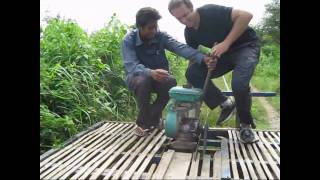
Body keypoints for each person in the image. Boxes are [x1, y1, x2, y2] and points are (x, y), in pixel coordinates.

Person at [168, 0, 261, 143]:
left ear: (193, 8)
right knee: (192, 73)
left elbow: (246, 16)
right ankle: (226, 103)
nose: (184, 20)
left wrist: (226, 43)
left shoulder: (210, 11)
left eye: (186, 15)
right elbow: (194, 58)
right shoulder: (189, 33)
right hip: (224, 55)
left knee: (239, 84)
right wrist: (203, 68)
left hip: (246, 47)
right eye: (179, 18)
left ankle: (245, 126)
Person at [121, 7, 215, 137]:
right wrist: (150, 72)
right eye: (150, 28)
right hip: (138, 77)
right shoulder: (128, 40)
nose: (154, 31)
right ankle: (144, 123)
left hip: (159, 77)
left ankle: (150, 119)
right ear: (140, 27)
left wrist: (203, 58)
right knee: (143, 81)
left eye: (155, 27)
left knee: (171, 82)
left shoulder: (160, 36)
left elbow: (180, 48)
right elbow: (131, 66)